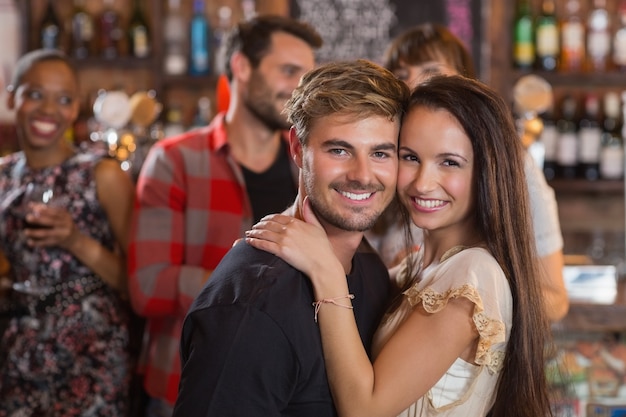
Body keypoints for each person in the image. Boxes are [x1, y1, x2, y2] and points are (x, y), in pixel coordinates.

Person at [247, 75, 554, 417]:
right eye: (409, 157)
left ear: (487, 172)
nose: (423, 183)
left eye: (449, 162)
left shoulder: (474, 275)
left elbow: (364, 409)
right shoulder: (415, 267)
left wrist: (325, 268)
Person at [172, 59, 411, 416]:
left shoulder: (368, 265)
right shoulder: (252, 307)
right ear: (298, 148)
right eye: (339, 150)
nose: (362, 175)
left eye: (380, 153)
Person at [127, 14, 323, 415]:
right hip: (185, 384)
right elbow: (148, 286)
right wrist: (250, 291)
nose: (301, 87)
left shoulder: (307, 168)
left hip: (284, 388)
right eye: (289, 70)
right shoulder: (175, 159)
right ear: (242, 67)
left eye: (308, 75)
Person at [370, 22, 569, 322]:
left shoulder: (510, 164)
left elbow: (555, 300)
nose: (414, 84)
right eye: (401, 75)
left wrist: (462, 299)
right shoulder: (380, 157)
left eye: (431, 71)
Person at [0, 49, 134, 415]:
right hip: (18, 352)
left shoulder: (102, 175)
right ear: (13, 98)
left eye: (63, 99)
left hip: (92, 352)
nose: (48, 110)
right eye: (35, 94)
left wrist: (75, 241)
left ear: (76, 108)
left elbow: (138, 283)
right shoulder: (3, 175)